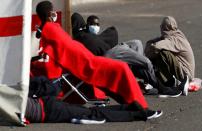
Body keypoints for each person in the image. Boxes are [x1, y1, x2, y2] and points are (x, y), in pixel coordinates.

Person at [33, 0, 162, 118]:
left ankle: (134, 105)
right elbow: (62, 49)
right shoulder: (50, 30)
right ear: (49, 13)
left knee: (118, 71)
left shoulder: (50, 29)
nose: (55, 13)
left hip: (87, 59)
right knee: (121, 68)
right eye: (52, 10)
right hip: (85, 64)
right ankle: (140, 107)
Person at [72, 13, 159, 94]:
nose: (95, 27)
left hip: (113, 50)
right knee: (146, 61)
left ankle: (140, 80)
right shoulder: (83, 38)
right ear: (86, 25)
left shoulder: (88, 36)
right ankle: (158, 85)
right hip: (110, 54)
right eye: (92, 24)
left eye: (97, 25)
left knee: (137, 43)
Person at [25, 76, 161, 124]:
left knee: (92, 114)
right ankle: (130, 108)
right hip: (47, 105)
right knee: (91, 112)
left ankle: (136, 114)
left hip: (48, 110)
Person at [144, 16, 195, 97]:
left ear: (163, 27)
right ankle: (170, 81)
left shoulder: (176, 39)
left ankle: (178, 81)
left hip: (186, 75)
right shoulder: (174, 34)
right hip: (183, 70)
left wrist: (151, 49)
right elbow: (151, 43)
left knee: (163, 53)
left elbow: (157, 46)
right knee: (157, 54)